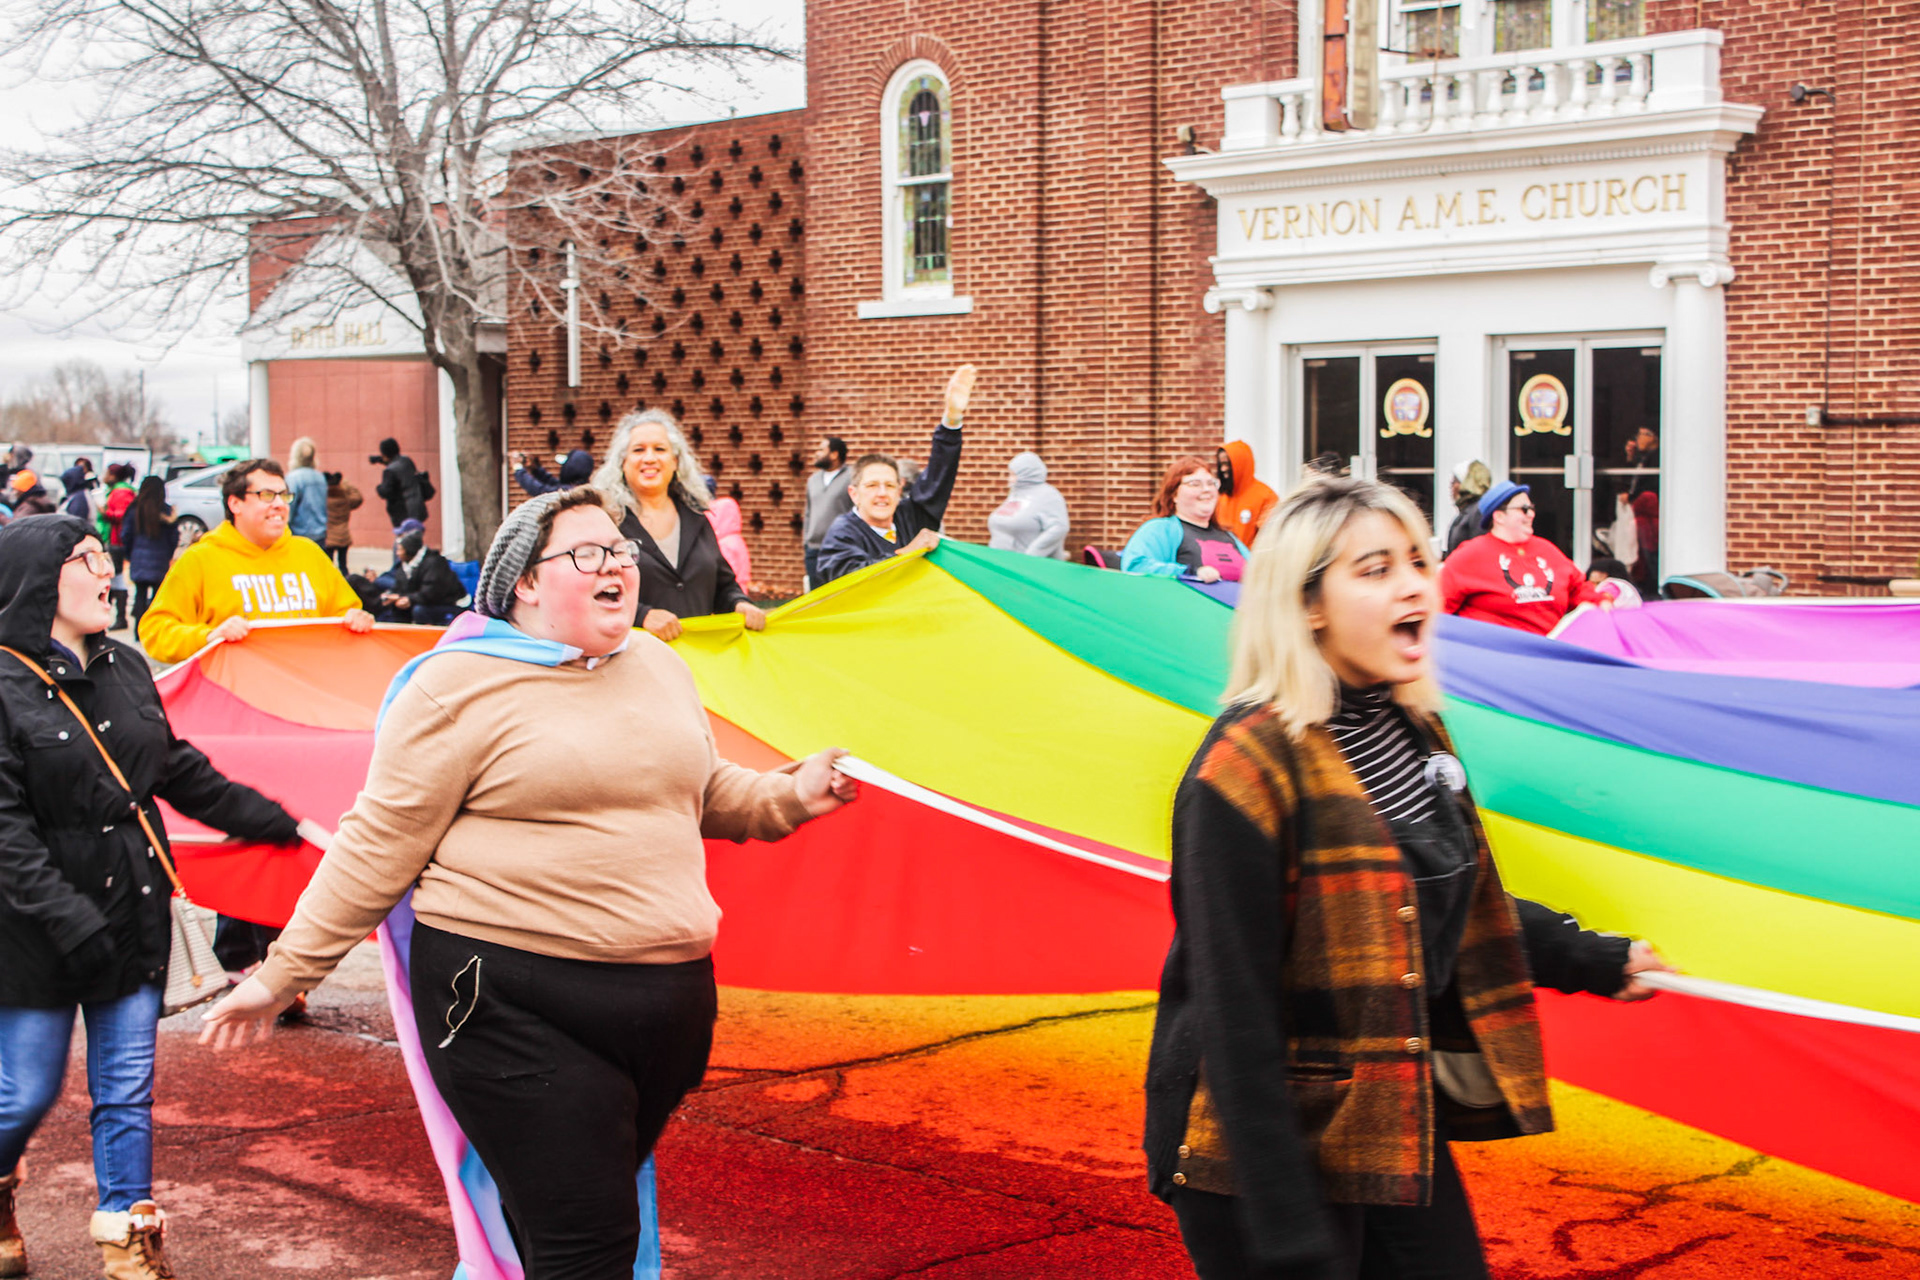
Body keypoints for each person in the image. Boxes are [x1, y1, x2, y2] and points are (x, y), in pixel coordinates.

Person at [198, 486, 859, 1279]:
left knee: (558, 1226)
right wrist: (281, 977)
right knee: (590, 1245)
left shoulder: (655, 663)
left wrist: (795, 793)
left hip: (662, 1013)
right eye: (587, 554)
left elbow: (702, 790)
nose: (616, 564)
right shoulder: (455, 688)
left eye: (619, 550)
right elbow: (375, 848)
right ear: (526, 585)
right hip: (507, 1003)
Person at [1144, 476, 1672, 1280]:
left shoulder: (1411, 727)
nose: (1412, 585)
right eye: (1375, 568)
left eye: (1418, 561)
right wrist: (1286, 1230)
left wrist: (1591, 958)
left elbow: (1442, 907)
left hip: (1381, 1111)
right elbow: (1233, 1016)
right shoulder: (1241, 774)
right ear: (1308, 604)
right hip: (1250, 1147)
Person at [0, 514, 307, 1280]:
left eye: (107, 557)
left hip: (132, 913)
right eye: (87, 558)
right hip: (32, 929)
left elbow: (174, 769)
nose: (107, 571)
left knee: (126, 1093)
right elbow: (3, 830)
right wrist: (67, 916)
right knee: (24, 1092)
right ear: (39, 579)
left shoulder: (125, 667)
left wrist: (276, 822)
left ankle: (129, 1240)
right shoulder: (3, 684)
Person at [593, 409, 765, 641]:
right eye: (638, 450)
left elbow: (723, 585)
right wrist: (642, 616)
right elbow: (591, 592)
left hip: (698, 661)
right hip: (633, 659)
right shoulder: (606, 522)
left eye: (660, 449)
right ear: (622, 462)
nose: (650, 458)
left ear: (675, 461)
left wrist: (739, 603)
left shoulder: (697, 517)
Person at [815, 366, 976, 585]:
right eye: (872, 485)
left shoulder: (909, 517)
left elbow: (937, 480)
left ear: (900, 490)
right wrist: (909, 552)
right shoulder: (843, 533)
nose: (882, 494)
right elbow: (850, 581)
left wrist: (952, 421)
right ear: (854, 494)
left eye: (889, 486)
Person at [1440, 481, 1607, 635]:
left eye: (1532, 508)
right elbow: (1437, 606)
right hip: (1493, 657)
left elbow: (1578, 588)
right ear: (1499, 516)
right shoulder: (1470, 555)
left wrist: (1602, 603)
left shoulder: (1547, 550)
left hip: (1549, 652)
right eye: (1524, 509)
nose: (1532, 514)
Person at [1122, 456, 1250, 583]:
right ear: (1174, 495)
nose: (1206, 489)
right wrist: (1190, 573)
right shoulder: (1160, 529)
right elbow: (1135, 567)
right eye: (1195, 484)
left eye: (1211, 483)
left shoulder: (1229, 536)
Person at [376, 521, 469, 625]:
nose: (397, 554)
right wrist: (393, 596)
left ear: (410, 552)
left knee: (419, 610)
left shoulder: (435, 563)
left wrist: (409, 599)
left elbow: (431, 593)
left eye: (400, 550)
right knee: (395, 607)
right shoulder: (405, 566)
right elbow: (400, 586)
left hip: (449, 604)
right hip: (423, 601)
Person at [120, 477, 179, 629]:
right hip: (160, 559)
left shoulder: (135, 509)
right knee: (157, 598)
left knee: (139, 595)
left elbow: (125, 534)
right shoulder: (167, 512)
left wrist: (130, 553)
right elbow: (174, 537)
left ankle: (138, 630)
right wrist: (168, 554)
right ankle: (154, 630)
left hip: (138, 557)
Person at [987, 451, 1070, 559]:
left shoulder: (1048, 495)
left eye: (1013, 474)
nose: (1009, 479)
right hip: (1001, 561)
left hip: (1025, 566)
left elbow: (1059, 528)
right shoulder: (1016, 494)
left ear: (1026, 474)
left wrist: (1032, 556)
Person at [802, 435, 854, 586]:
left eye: (821, 449)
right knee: (817, 596)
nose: (816, 453)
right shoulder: (813, 480)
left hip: (840, 547)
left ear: (834, 454)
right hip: (814, 549)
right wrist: (806, 541)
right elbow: (808, 512)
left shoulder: (851, 477)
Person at [1214, 442, 1278, 547]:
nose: (1223, 469)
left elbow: (1269, 538)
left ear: (1240, 464)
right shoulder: (1220, 497)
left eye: (1227, 464)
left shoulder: (1265, 496)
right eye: (1221, 464)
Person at [702, 480, 753, 586]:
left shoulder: (723, 545)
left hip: (731, 591)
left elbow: (725, 573)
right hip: (740, 585)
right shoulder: (737, 540)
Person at [373, 438, 431, 528]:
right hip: (417, 508)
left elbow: (386, 492)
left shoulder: (389, 471)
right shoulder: (407, 461)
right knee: (415, 537)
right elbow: (399, 468)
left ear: (385, 454)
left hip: (403, 512)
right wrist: (380, 460)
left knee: (406, 540)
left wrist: (379, 488)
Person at [1443, 460, 1493, 557]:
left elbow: (1479, 552)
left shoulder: (1478, 511)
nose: (1451, 486)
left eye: (1454, 481)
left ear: (1466, 483)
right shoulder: (1468, 510)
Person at [285, 438, 329, 545]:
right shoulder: (320, 477)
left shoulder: (292, 478)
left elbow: (289, 507)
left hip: (300, 534)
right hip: (320, 533)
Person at [323, 470, 363, 573]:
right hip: (344, 536)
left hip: (329, 537)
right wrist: (346, 485)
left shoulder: (323, 500)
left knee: (328, 566)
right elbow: (358, 498)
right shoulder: (345, 499)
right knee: (343, 566)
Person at [512, 448, 595, 496]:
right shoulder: (575, 487)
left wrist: (518, 469)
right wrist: (535, 469)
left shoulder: (571, 492)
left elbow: (542, 491)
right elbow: (551, 482)